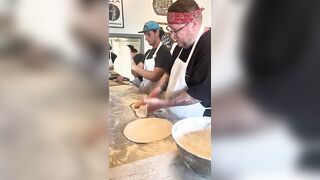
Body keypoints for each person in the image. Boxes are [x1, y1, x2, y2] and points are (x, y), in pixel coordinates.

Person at [136, 0, 211, 118]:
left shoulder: (209, 46)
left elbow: (197, 94)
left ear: (194, 24)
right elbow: (167, 75)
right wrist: (153, 95)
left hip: (195, 122)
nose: (172, 36)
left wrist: (161, 103)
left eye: (176, 30)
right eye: (170, 30)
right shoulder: (180, 46)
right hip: (173, 116)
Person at [131, 21, 173, 93]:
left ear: (157, 32)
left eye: (148, 34)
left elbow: (154, 76)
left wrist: (134, 67)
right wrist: (129, 65)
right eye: (145, 35)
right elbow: (136, 73)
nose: (146, 38)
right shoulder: (148, 52)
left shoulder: (163, 51)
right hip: (145, 91)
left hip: (156, 96)